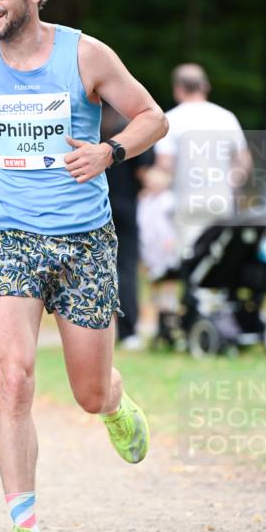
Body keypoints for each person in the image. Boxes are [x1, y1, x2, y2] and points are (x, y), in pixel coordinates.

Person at [0, 0, 167, 532]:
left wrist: (109, 152)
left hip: (84, 240)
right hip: (10, 236)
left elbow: (152, 116)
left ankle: (116, 403)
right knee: (12, 377)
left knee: (87, 391)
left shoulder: (85, 55)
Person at [153, 63, 248, 259]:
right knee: (219, 260)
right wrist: (232, 185)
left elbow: (165, 165)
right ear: (205, 86)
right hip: (222, 199)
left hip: (187, 200)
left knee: (190, 259)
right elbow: (243, 160)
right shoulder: (226, 117)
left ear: (178, 89)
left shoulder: (171, 120)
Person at [100, 102, 154, 350]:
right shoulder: (130, 130)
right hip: (125, 205)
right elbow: (144, 172)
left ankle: (96, 330)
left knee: (94, 270)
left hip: (94, 208)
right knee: (126, 268)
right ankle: (128, 330)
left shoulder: (92, 127)